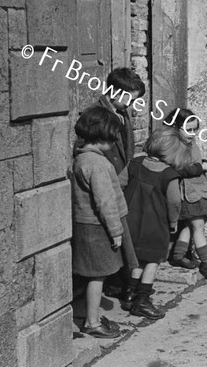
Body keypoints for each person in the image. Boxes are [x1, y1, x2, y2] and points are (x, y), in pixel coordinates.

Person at [74, 67, 146, 298]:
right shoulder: (95, 115)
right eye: (129, 98)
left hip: (119, 182)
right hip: (104, 183)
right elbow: (83, 149)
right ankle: (119, 285)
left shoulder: (122, 113)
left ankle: (119, 284)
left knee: (123, 235)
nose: (131, 104)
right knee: (112, 237)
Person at [71, 107, 139, 338]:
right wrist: (116, 231)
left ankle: (92, 317)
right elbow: (105, 201)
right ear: (103, 137)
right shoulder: (98, 164)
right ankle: (92, 322)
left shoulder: (80, 158)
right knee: (97, 276)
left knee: (94, 275)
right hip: (97, 228)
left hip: (87, 225)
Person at [120, 129, 182, 320]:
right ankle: (143, 300)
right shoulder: (169, 175)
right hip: (156, 224)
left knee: (137, 258)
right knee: (153, 260)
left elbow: (119, 184)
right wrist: (173, 222)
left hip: (131, 220)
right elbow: (174, 202)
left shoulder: (135, 163)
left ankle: (130, 292)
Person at [162, 109, 207, 280]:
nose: (192, 133)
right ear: (176, 127)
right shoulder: (172, 145)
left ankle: (178, 255)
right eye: (188, 130)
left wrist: (202, 162)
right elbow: (178, 168)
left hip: (198, 189)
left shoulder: (190, 142)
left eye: (195, 129)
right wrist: (200, 168)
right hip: (187, 192)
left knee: (192, 225)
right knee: (197, 226)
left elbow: (193, 159)